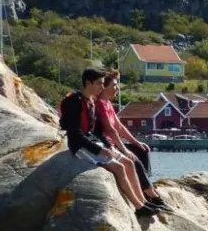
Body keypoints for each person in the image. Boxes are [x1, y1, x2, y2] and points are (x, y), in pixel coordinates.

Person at [60, 68, 158, 219]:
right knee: (119, 168)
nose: (102, 87)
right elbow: (75, 134)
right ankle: (139, 207)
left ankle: (144, 202)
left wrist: (108, 145)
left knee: (128, 163)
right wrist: (99, 150)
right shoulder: (74, 102)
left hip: (94, 142)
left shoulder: (92, 101)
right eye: (99, 83)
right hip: (80, 146)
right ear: (88, 83)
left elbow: (98, 131)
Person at [95, 74, 167, 208]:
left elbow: (120, 127)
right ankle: (150, 194)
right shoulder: (100, 104)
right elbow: (111, 130)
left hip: (116, 143)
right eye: (114, 85)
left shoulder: (108, 103)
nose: (117, 88)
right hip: (108, 144)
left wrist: (137, 143)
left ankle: (145, 186)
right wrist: (125, 150)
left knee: (142, 150)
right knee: (134, 160)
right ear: (104, 87)